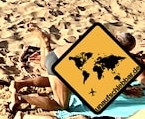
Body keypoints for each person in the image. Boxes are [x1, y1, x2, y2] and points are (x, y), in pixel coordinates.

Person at [11, 23, 143, 114]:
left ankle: (43, 44)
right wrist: (126, 91)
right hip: (60, 64)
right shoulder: (116, 58)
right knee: (61, 105)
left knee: (54, 74)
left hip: (56, 54)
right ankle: (21, 98)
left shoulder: (100, 38)